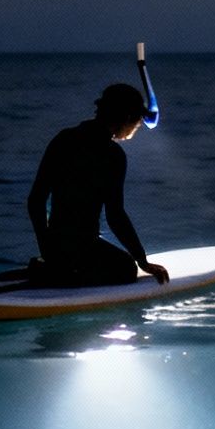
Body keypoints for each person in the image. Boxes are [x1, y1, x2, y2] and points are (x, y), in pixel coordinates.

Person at [25, 83, 168, 287]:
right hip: (83, 246)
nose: (136, 129)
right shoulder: (113, 155)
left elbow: (35, 200)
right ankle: (58, 275)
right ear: (127, 119)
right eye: (136, 124)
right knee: (126, 269)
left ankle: (54, 267)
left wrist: (46, 248)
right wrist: (141, 260)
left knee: (82, 256)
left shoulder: (63, 139)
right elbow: (115, 216)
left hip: (54, 244)